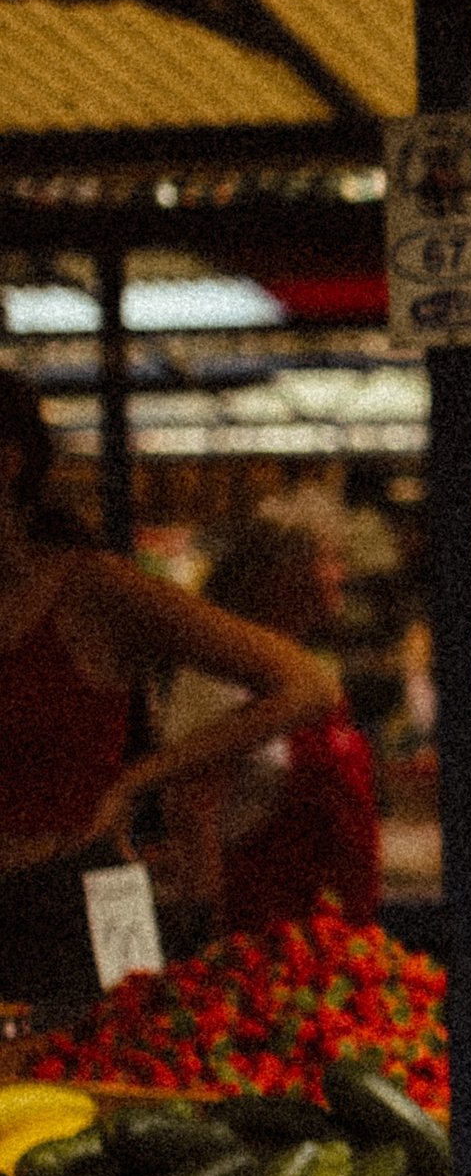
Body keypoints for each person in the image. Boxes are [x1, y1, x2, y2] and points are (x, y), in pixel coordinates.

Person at [0, 374, 340, 1014]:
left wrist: (136, 781)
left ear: (7, 465)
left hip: (72, 907)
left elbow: (305, 685)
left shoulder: (94, 591)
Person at [161, 511, 381, 937]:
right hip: (262, 940)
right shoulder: (220, 674)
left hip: (330, 940)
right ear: (281, 575)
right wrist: (210, 941)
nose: (341, 574)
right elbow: (192, 810)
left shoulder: (303, 671)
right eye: (329, 559)